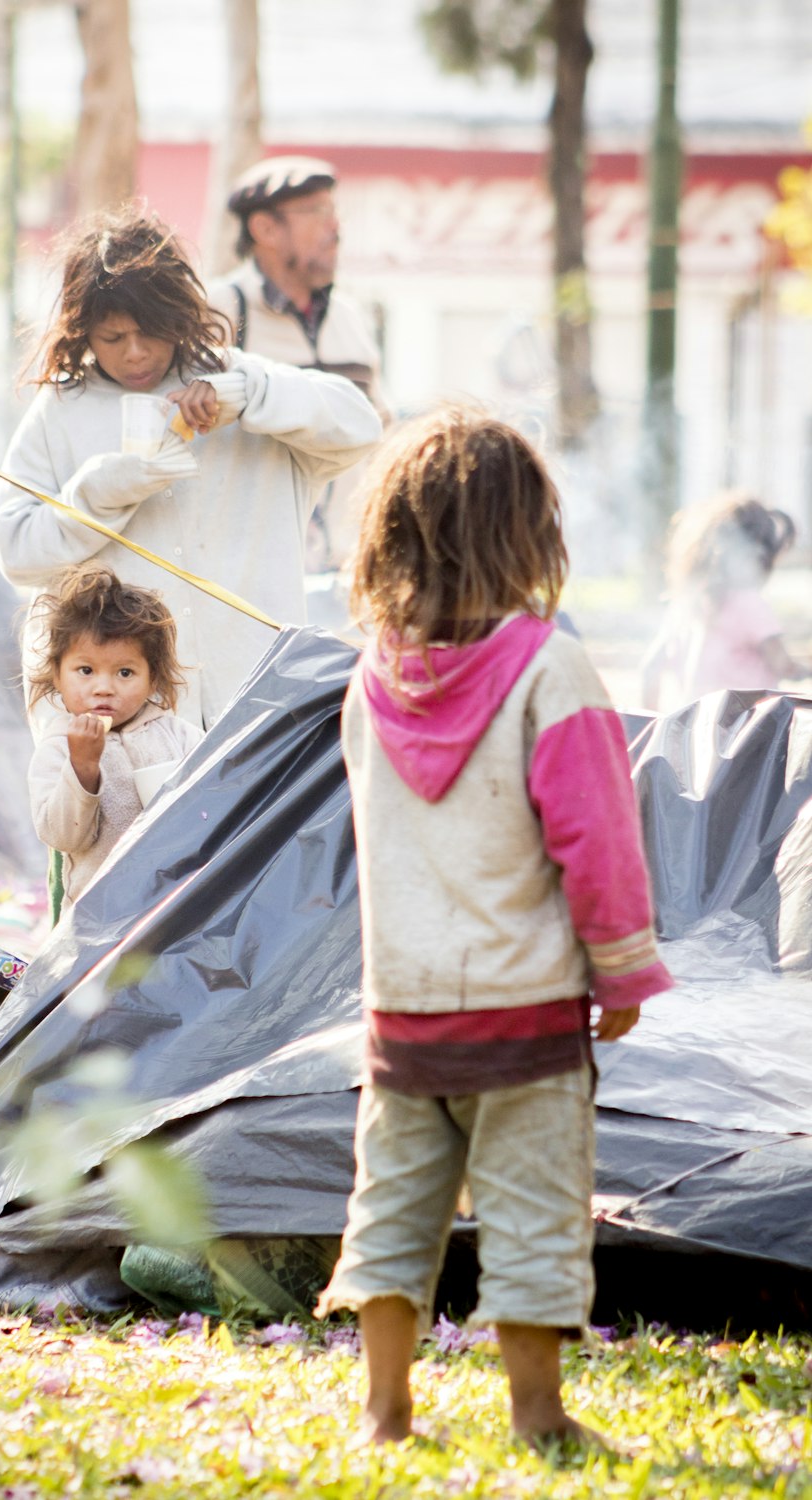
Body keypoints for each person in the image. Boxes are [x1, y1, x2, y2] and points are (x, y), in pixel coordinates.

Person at [313, 404, 674, 1448]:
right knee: (534, 1212)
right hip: (523, 1017)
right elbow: (596, 842)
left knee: (390, 1211)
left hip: (402, 1014)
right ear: (527, 534)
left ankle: (383, 1412)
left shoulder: (369, 680)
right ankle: (537, 1415)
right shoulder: (550, 671)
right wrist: (621, 972)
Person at [0, 202, 382, 732]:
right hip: (116, 726)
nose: (134, 353)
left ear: (179, 316)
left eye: (150, 332)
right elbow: (17, 551)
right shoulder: (62, 411)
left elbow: (360, 424)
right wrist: (98, 495)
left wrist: (245, 397)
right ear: (83, 331)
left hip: (253, 708)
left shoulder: (235, 381)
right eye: (112, 338)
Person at [206, 155, 388, 572]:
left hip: (348, 574)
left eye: (335, 212)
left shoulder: (349, 318)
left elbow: (383, 434)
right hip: (252, 577)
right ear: (265, 228)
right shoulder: (220, 311)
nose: (335, 229)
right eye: (318, 213)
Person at [26, 564, 203, 915]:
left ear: (153, 679)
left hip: (175, 910)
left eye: (125, 672)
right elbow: (62, 837)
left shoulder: (178, 735)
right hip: (99, 917)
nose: (104, 687)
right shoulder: (59, 745)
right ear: (57, 676)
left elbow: (212, 805)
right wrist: (82, 767)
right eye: (86, 671)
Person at [641, 491, 809, 712]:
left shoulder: (687, 603)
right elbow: (782, 664)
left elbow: (651, 668)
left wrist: (655, 723)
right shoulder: (749, 604)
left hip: (693, 730)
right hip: (747, 734)